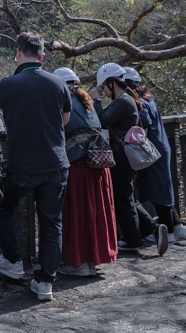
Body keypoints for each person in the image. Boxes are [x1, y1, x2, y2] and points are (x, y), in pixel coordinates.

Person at [0, 32, 70, 302]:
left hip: (23, 165)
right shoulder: (58, 83)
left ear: (18, 53)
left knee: (3, 205)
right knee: (51, 223)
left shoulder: (9, 84)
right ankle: (45, 283)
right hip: (56, 164)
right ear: (42, 56)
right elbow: (65, 120)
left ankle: (13, 260)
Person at [92, 62, 168, 257]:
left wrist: (96, 100)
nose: (102, 90)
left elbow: (102, 120)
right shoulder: (126, 100)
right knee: (128, 197)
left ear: (112, 83)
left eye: (103, 86)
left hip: (121, 157)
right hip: (125, 155)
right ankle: (152, 229)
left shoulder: (123, 102)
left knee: (123, 199)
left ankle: (134, 239)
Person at [53, 67, 118, 277]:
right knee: (94, 212)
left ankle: (77, 263)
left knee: (77, 212)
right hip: (98, 167)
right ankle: (90, 261)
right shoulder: (86, 102)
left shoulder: (63, 104)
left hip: (78, 166)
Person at [124, 67, 186, 243]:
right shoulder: (148, 99)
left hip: (149, 151)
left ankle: (168, 233)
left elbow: (142, 121)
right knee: (162, 189)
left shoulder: (140, 103)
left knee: (158, 192)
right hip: (159, 147)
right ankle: (178, 227)